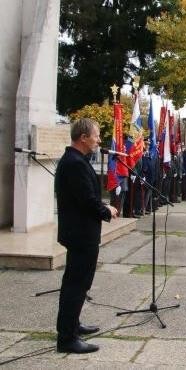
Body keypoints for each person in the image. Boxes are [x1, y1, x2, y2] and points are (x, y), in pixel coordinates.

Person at [55, 118, 119, 354]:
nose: (99, 140)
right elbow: (87, 200)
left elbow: (84, 194)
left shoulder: (76, 160)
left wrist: (101, 206)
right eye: (96, 135)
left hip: (80, 232)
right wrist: (106, 210)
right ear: (83, 137)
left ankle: (72, 325)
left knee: (78, 284)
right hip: (81, 234)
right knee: (76, 285)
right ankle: (67, 339)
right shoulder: (74, 163)